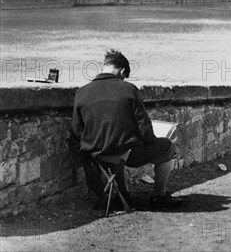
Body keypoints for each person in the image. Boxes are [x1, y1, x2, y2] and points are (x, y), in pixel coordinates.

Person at [72, 50, 183, 208]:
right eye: (124, 76)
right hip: (123, 153)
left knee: (120, 144)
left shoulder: (81, 92)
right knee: (168, 148)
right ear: (122, 71)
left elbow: (77, 130)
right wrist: (151, 141)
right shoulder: (129, 89)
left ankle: (123, 194)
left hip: (95, 155)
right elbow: (143, 126)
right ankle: (159, 195)